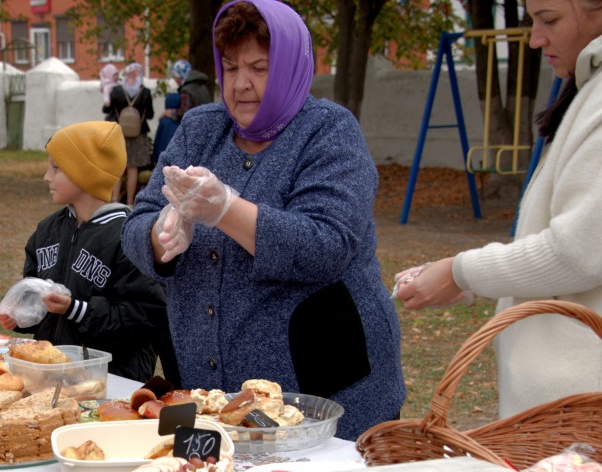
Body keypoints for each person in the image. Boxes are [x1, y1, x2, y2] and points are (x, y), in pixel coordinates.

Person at [122, 0, 405, 440]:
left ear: (291, 67)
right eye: (231, 68)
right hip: (210, 393)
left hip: (323, 395)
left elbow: (326, 246)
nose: (242, 84)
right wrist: (161, 235)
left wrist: (225, 210)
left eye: (259, 67)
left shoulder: (329, 132)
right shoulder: (199, 129)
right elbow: (136, 222)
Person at [396, 0, 602, 417]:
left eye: (549, 20)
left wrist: (459, 271)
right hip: (578, 404)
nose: (536, 39)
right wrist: (469, 280)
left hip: (596, 413)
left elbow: (581, 253)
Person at [0, 121, 167, 382]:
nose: (46, 176)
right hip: (52, 379)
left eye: (56, 168)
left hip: (110, 383)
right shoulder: (47, 231)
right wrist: (21, 316)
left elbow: (144, 318)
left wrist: (76, 308)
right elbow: (35, 297)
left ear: (85, 174)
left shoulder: (130, 237)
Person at [104, 62, 154, 206]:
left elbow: (108, 110)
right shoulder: (145, 92)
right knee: (133, 168)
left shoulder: (117, 90)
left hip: (120, 132)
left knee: (118, 166)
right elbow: (150, 114)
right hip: (138, 134)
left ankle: (114, 199)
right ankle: (130, 201)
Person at [151, 91, 182, 167]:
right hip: (178, 158)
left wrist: (154, 158)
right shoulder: (182, 122)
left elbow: (157, 141)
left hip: (163, 157)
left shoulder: (164, 121)